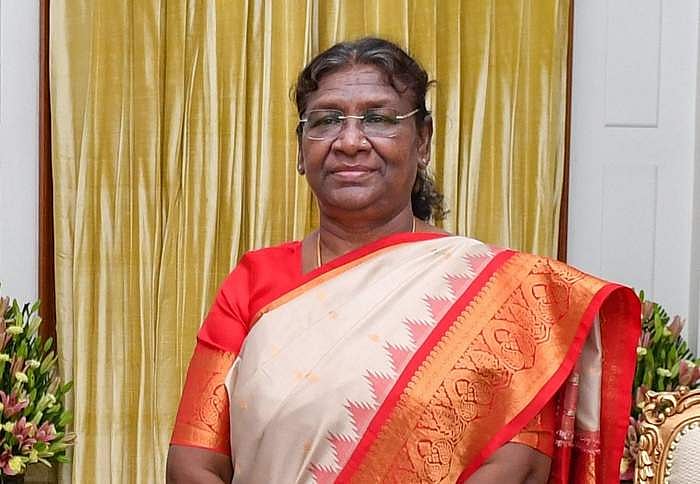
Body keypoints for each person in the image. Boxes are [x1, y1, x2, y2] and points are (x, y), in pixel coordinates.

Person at [166, 37, 640, 483]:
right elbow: (192, 462)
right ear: (301, 149)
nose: (350, 141)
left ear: (423, 141)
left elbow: (520, 463)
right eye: (326, 120)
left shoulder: (497, 294)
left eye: (378, 118)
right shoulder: (255, 281)